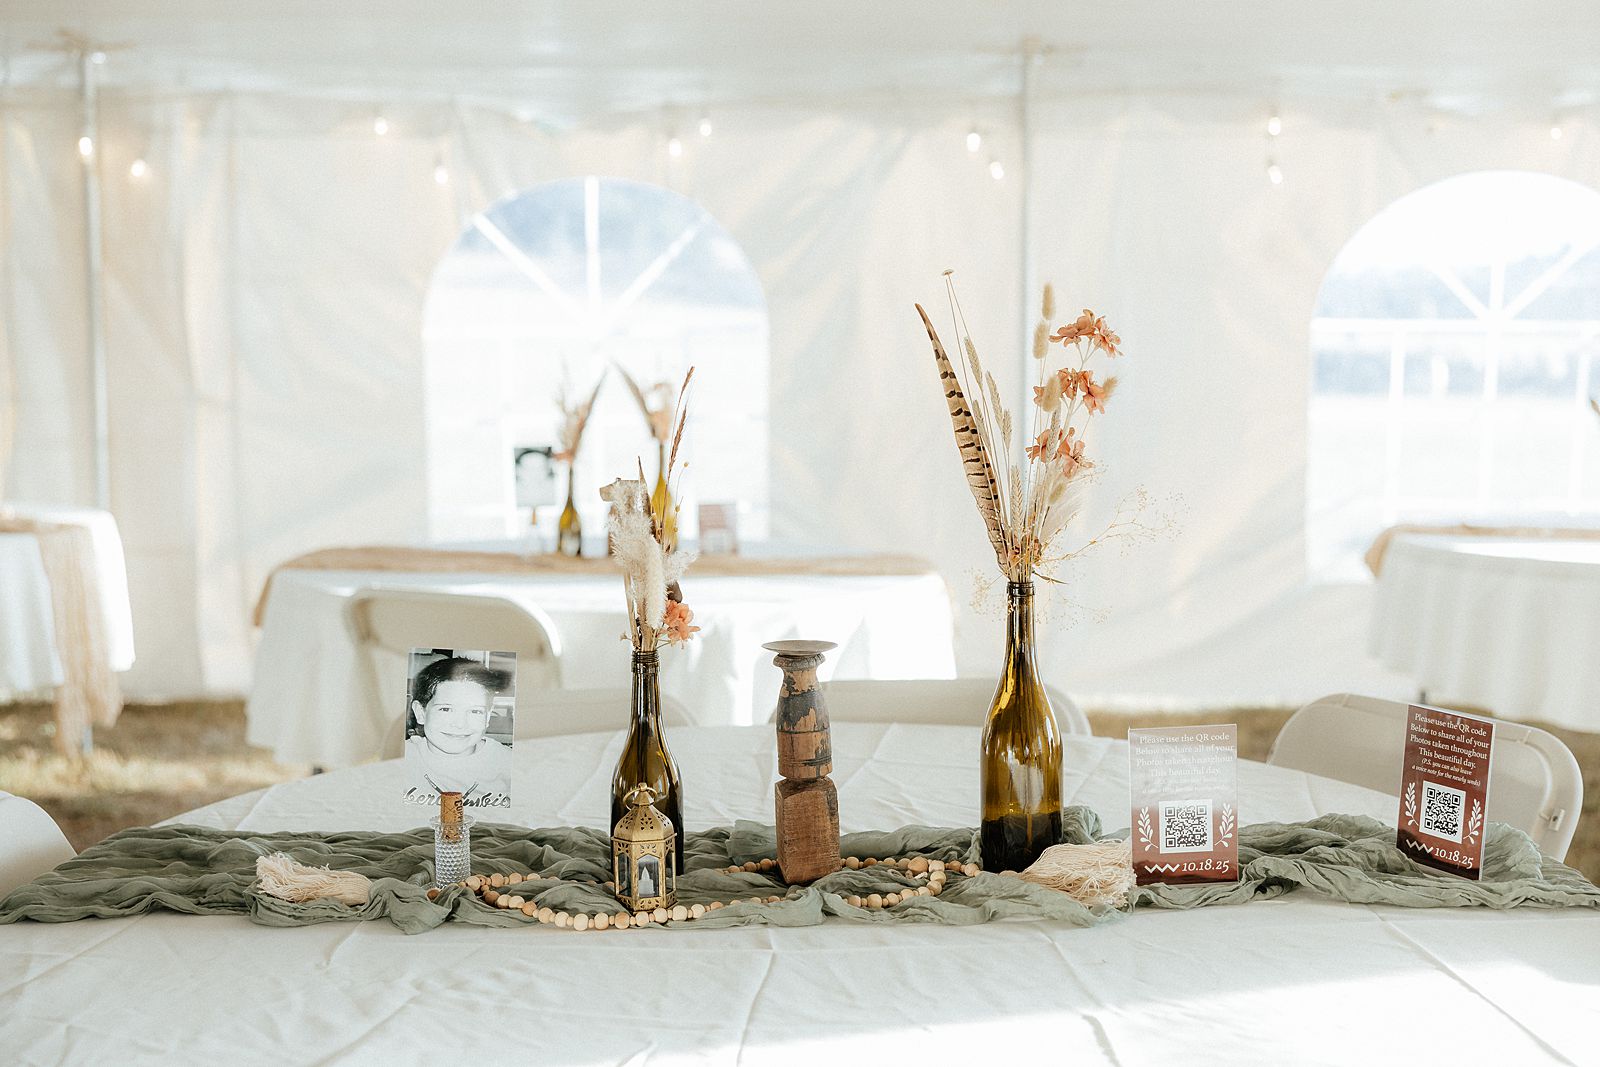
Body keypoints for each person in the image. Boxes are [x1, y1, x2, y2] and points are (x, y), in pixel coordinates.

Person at [404, 656, 514, 806]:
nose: (460, 724)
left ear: (487, 716)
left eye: (475, 711)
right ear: (420, 713)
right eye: (446, 709)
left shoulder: (509, 765)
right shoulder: (401, 760)